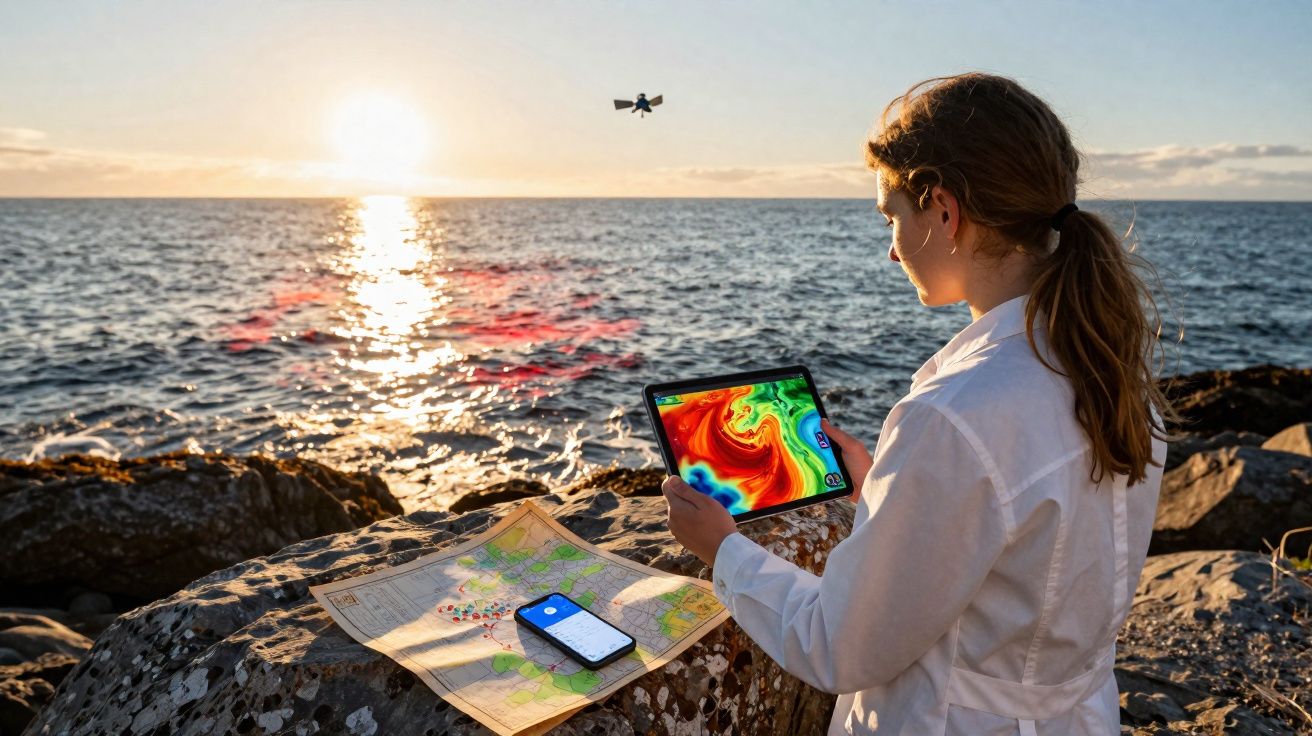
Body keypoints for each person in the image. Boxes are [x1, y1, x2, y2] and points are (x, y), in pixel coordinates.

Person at [662, 72, 1178, 735]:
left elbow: (838, 644)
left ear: (942, 209)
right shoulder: (1111, 373)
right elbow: (1027, 557)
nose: (890, 246)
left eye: (892, 217)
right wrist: (888, 493)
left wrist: (724, 551)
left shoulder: (958, 414)